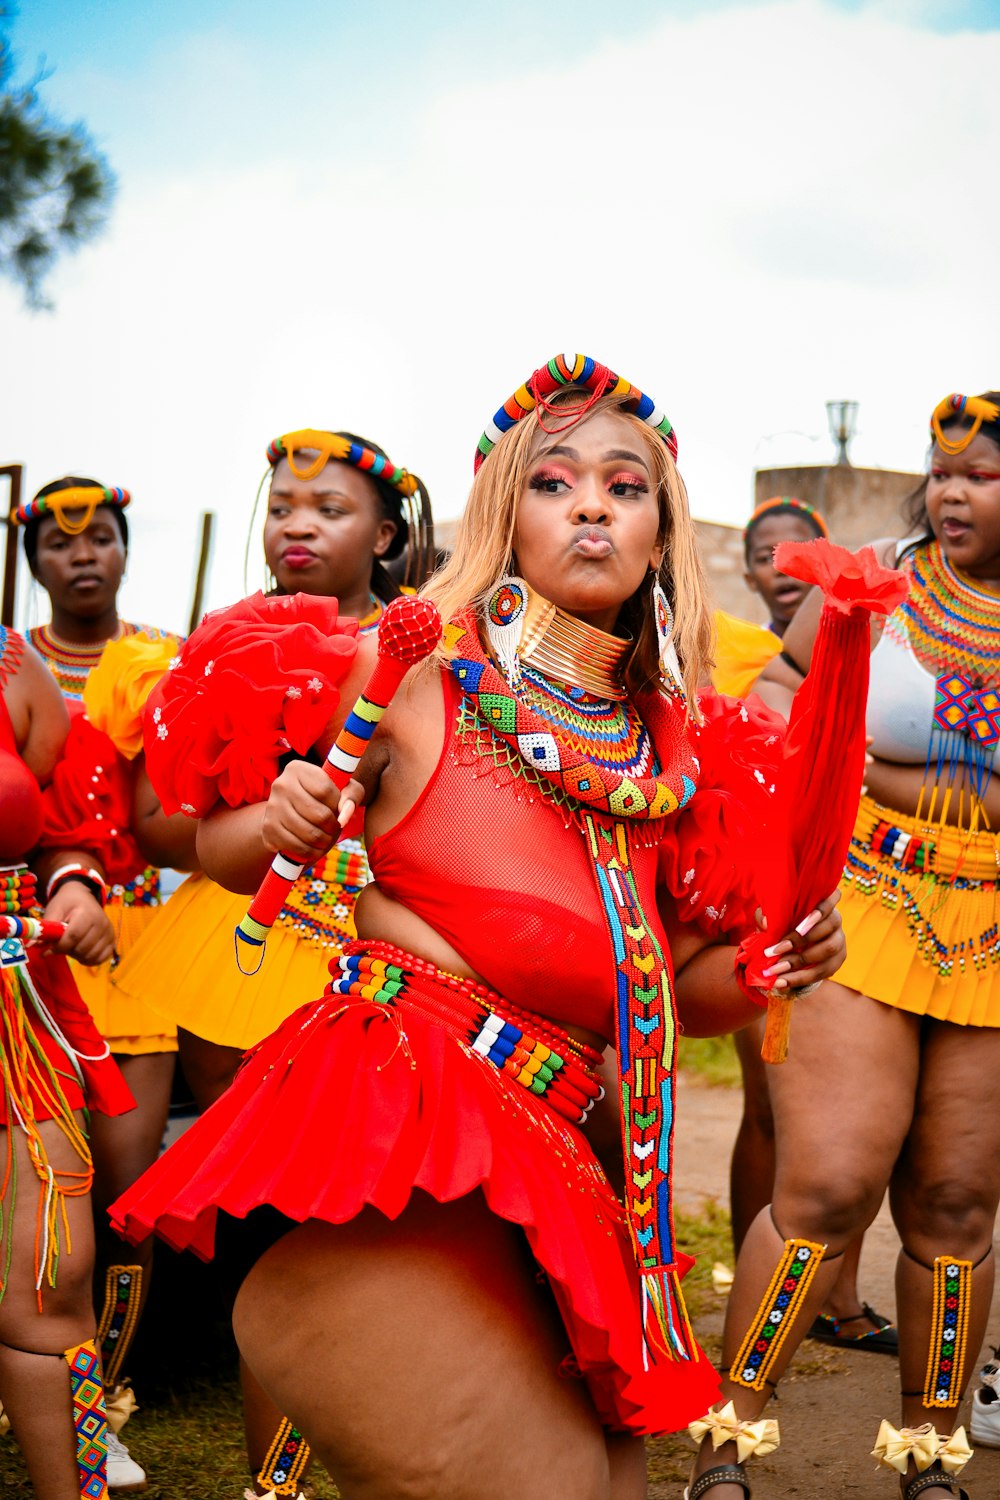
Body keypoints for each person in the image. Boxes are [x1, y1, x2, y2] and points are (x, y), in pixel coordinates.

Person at [111, 355, 847, 1500]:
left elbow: (671, 988)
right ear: (504, 516)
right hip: (422, 1110)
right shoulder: (411, 673)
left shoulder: (670, 753)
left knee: (608, 1480)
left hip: (571, 1147)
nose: (594, 504)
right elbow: (209, 845)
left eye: (626, 486)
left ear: (662, 533)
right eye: (555, 483)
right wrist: (280, 816)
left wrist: (769, 967)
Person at [109, 427, 433, 1499]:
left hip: (397, 959)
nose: (297, 523)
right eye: (283, 505)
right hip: (245, 954)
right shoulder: (225, 639)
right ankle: (278, 1484)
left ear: (386, 534)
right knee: (280, 1238)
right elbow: (169, 827)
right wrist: (265, 819)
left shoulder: (438, 646)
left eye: (328, 507)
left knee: (378, 1235)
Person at [689, 391, 1000, 1500]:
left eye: (984, 475)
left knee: (957, 1209)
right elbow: (778, 691)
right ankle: (727, 1442)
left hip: (994, 939)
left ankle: (930, 1455)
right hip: (858, 905)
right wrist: (842, 774)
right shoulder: (878, 578)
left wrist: (870, 762)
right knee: (824, 1188)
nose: (952, 491)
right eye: (941, 470)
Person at [18, 475, 189, 1490]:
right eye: (58, 542)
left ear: (126, 549)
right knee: (37, 1218)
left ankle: (103, 1406)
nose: (81, 555)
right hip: (26, 965)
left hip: (134, 943)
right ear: (33, 561)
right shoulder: (12, 664)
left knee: (124, 1206)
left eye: (101, 537)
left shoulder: (169, 658)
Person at [714, 496, 897, 1359]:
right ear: (753, 569)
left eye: (799, 549)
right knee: (774, 1112)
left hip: (903, 901)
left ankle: (843, 1296)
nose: (781, 562)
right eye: (765, 552)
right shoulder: (739, 654)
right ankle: (763, 1285)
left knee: (853, 1135)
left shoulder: (867, 625)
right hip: (774, 886)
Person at [0, 615, 133, 1500]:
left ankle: (75, 1491)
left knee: (54, 1276)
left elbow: (68, 823)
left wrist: (75, 883)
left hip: (17, 1017)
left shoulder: (9, 663)